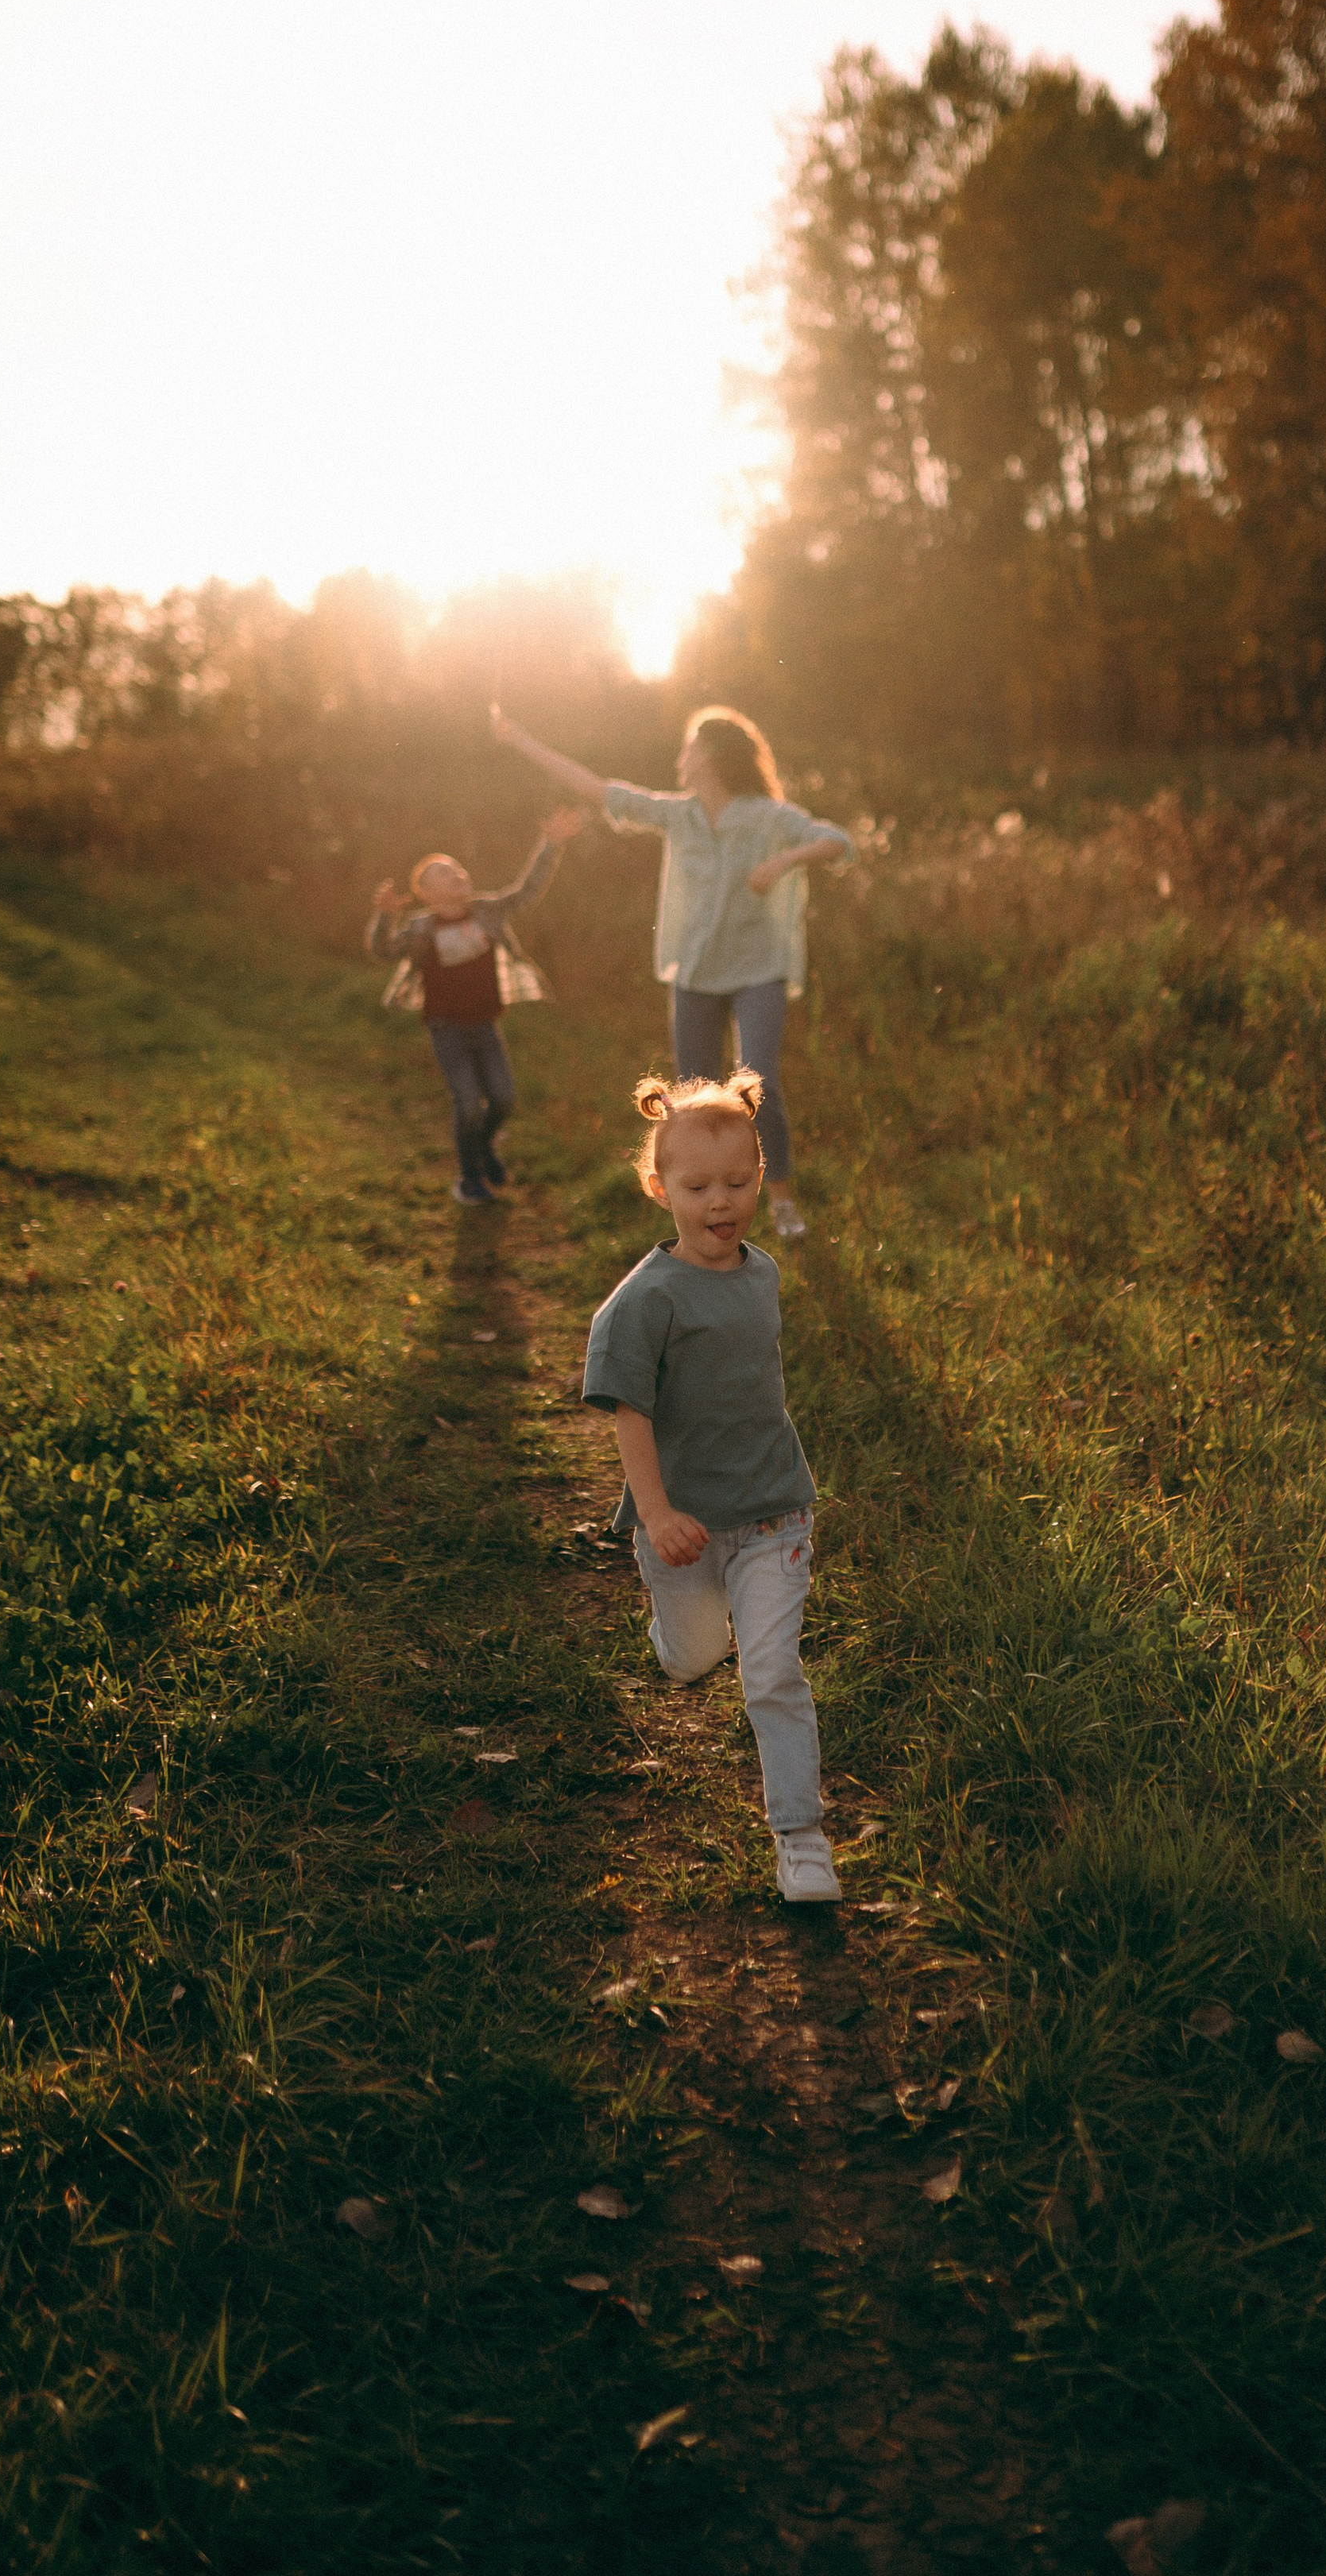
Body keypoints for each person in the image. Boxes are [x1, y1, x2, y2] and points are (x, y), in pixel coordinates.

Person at [582, 1068, 839, 1902]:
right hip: (683, 1527)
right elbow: (629, 1413)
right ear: (659, 1187)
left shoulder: (760, 1271)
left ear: (759, 1176)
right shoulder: (642, 1301)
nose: (719, 1201)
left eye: (736, 1182)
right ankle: (678, 1633)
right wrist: (654, 1513)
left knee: (772, 1672)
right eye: (697, 1186)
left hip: (773, 1509)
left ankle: (800, 1836)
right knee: (694, 1656)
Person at [489, 702, 853, 1242]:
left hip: (759, 968)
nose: (680, 756)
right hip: (695, 972)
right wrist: (519, 739)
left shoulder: (766, 815)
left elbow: (837, 842)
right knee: (691, 1100)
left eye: (688, 746)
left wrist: (780, 862)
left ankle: (780, 1202)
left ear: (707, 753)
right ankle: (699, 1210)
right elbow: (598, 789)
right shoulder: (677, 814)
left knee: (762, 1086)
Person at [366, 809, 580, 1204]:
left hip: (485, 1024)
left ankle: (483, 1146)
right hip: (446, 1028)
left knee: (503, 1098)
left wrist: (551, 843)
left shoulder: (486, 911)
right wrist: (385, 916)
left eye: (459, 869)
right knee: (467, 1102)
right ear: (426, 894)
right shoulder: (421, 929)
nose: (458, 875)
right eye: (444, 873)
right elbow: (382, 951)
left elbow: (526, 891)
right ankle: (469, 1179)